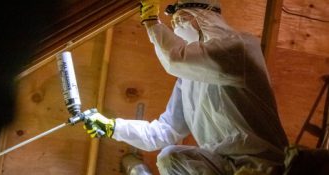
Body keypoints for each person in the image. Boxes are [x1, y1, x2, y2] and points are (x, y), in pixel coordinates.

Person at [84, 0, 289, 174]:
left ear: (203, 18)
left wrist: (151, 21)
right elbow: (165, 131)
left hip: (262, 168)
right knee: (170, 158)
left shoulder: (240, 49)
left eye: (180, 19)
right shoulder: (189, 80)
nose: (176, 27)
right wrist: (113, 127)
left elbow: (175, 58)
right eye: (173, 22)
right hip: (223, 168)